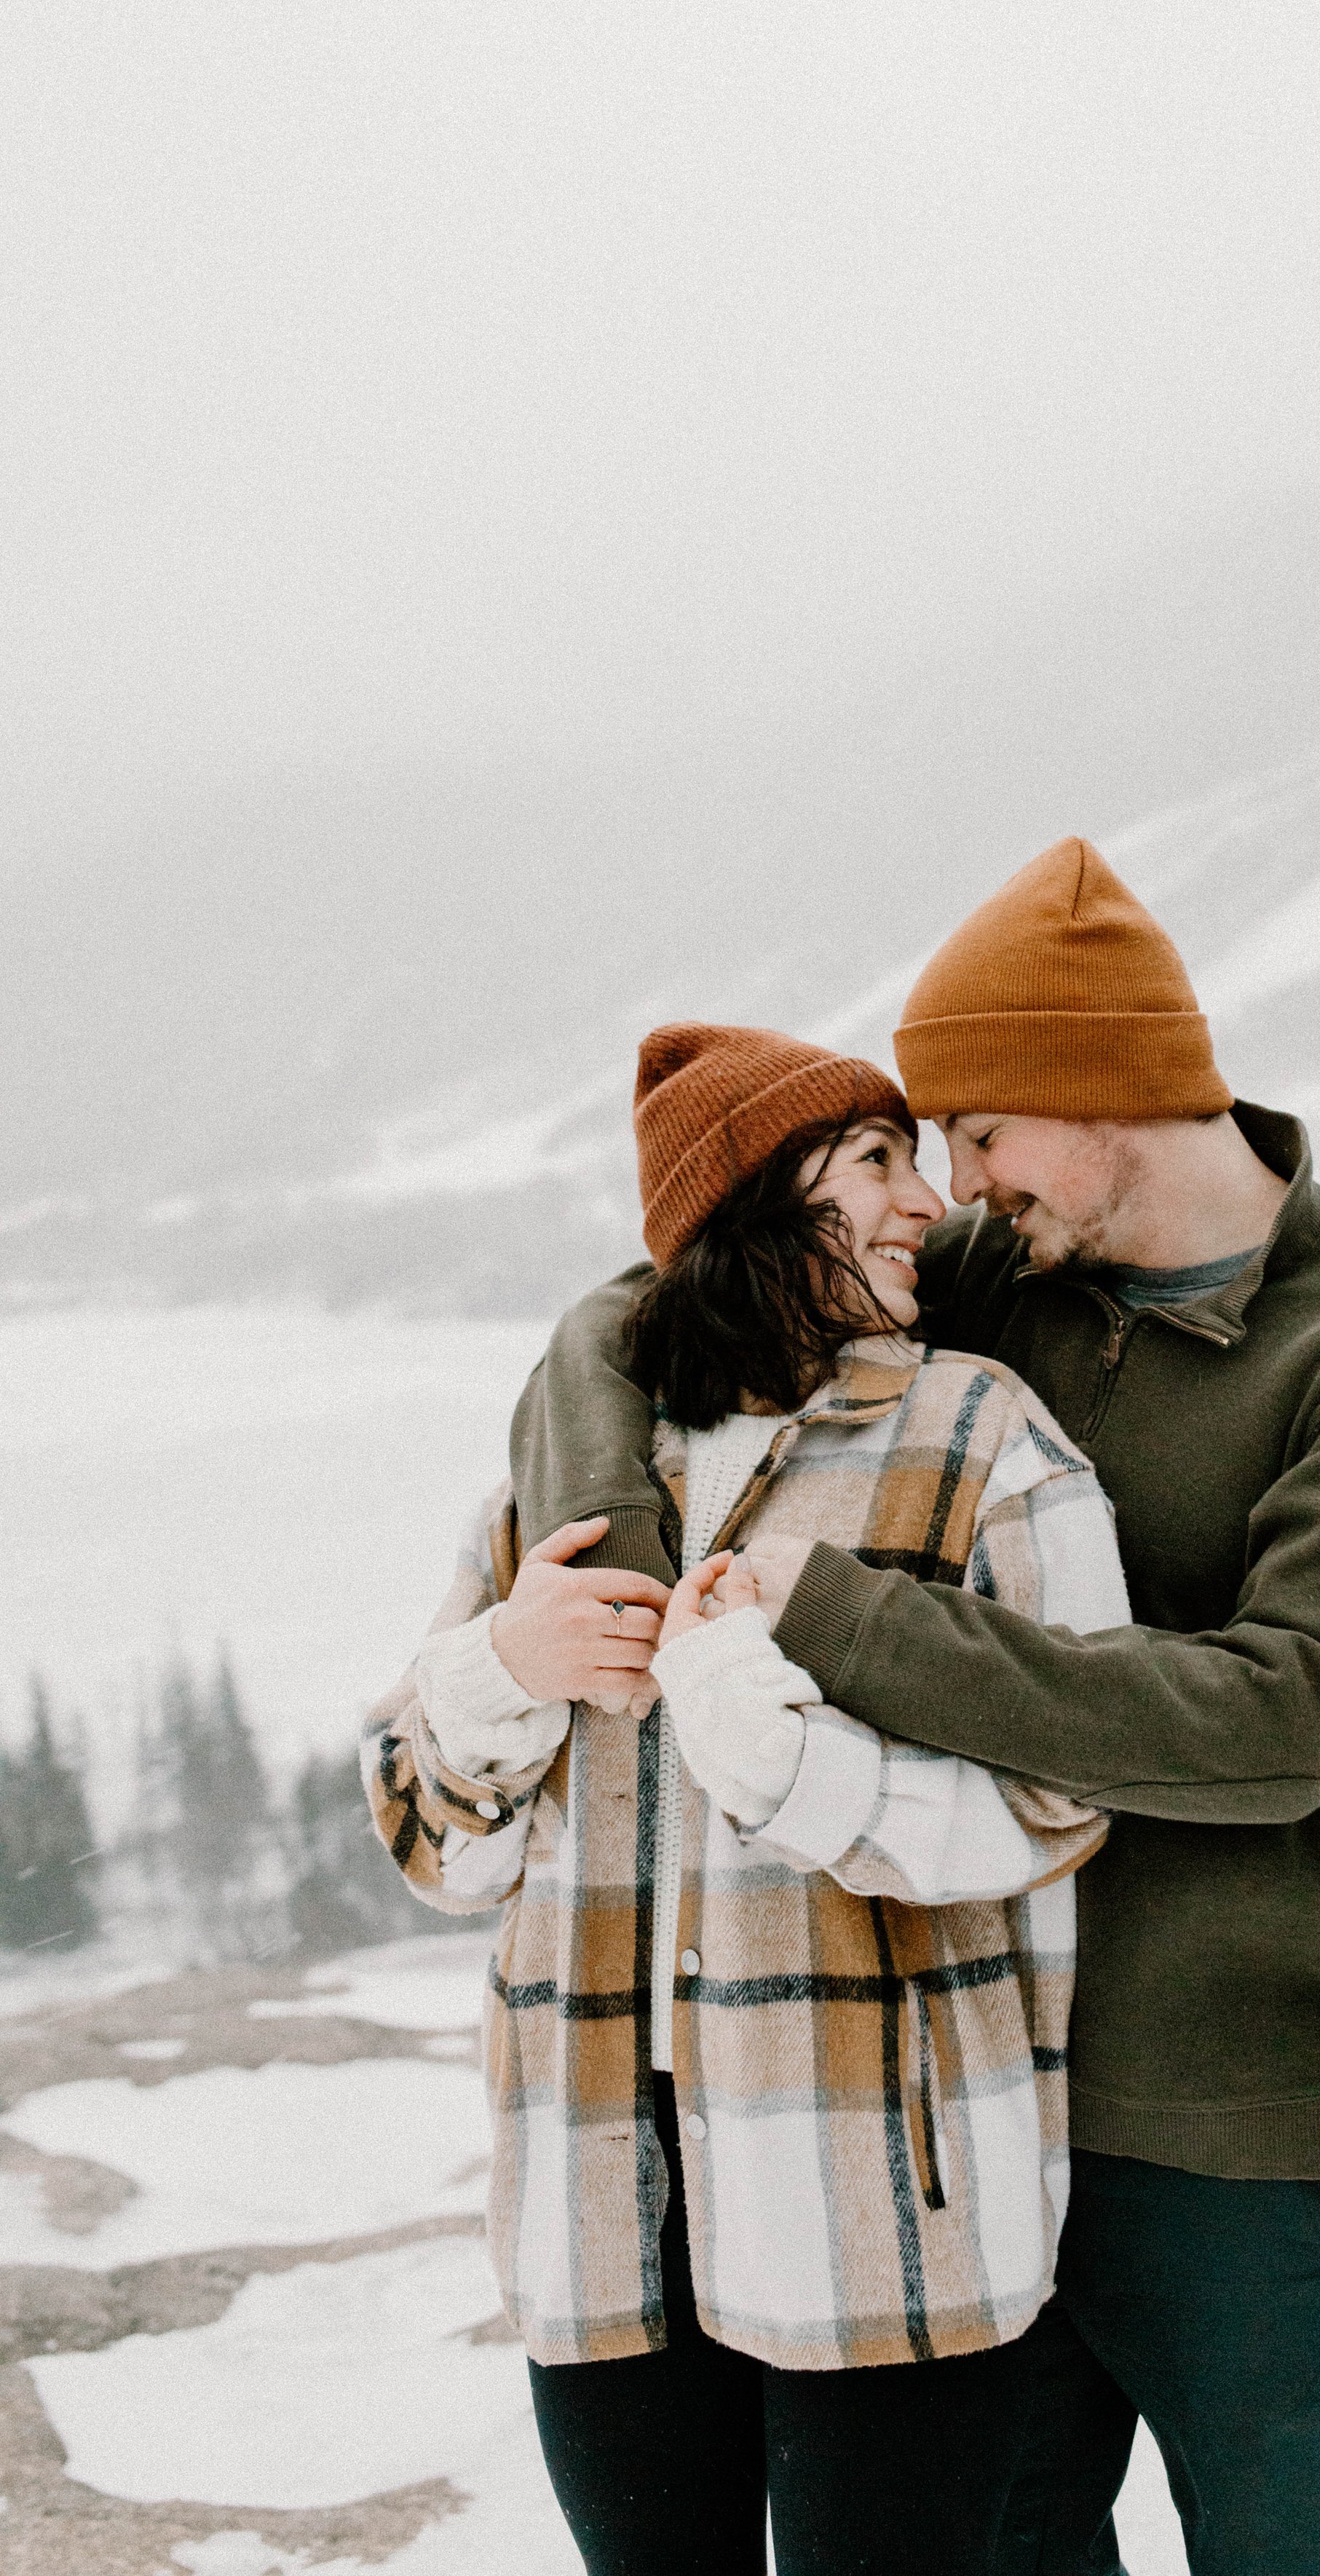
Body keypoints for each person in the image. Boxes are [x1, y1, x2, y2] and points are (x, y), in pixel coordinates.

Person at [515, 839, 1320, 2576]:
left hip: (1245, 2109)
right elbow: (637, 1308)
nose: (952, 1184)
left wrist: (840, 1623)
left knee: (1292, 2554)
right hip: (989, 2098)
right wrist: (635, 1558)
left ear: (1103, 1093)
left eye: (976, 1131)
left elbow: (1279, 1727)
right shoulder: (1010, 1272)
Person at [363, 1019, 1131, 2576]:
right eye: (874, 1163)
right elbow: (432, 1851)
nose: (927, 1202)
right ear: (751, 1203)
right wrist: (500, 1668)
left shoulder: (979, 1442)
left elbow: (1067, 1795)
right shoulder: (556, 1491)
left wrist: (794, 1766)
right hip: (600, 2199)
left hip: (880, 2204)